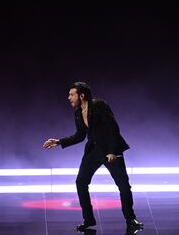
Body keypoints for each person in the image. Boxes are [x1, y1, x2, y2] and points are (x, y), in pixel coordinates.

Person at [42, 82, 144, 232]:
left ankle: (131, 219)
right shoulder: (78, 113)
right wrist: (59, 142)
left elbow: (112, 127)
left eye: (72, 94)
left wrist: (112, 151)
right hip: (94, 150)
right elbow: (80, 135)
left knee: (123, 185)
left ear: (81, 95)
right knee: (81, 182)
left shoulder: (98, 105)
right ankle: (88, 219)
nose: (68, 97)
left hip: (111, 150)